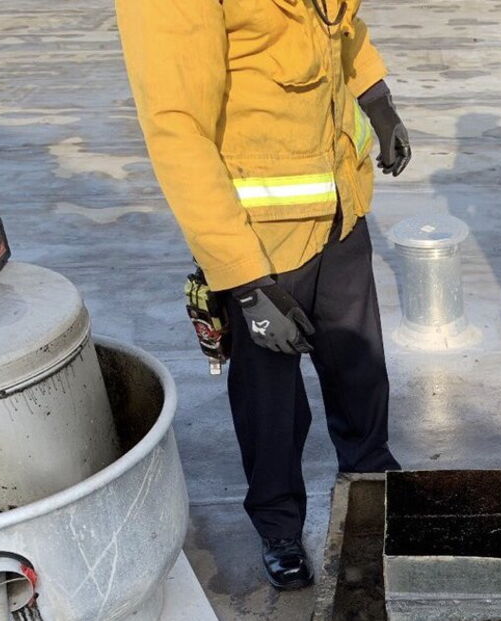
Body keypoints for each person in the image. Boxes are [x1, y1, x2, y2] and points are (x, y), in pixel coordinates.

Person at [116, 0, 409, 590]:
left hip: (339, 210)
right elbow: (176, 127)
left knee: (360, 371)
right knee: (269, 403)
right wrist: (243, 280)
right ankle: (278, 526)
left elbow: (341, 29)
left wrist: (377, 100)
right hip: (259, 243)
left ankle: (374, 485)